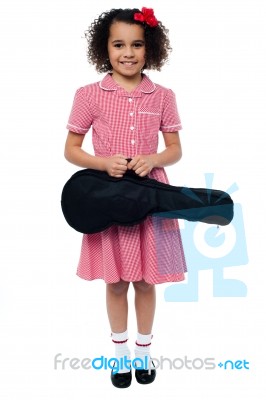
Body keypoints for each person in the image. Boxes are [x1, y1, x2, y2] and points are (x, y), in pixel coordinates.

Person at [64, 7, 187, 388]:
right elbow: (71, 149)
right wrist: (102, 163)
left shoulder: (163, 95)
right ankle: (119, 357)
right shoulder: (89, 95)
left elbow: (175, 149)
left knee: (147, 281)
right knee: (116, 281)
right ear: (106, 48)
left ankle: (144, 353)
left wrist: (153, 158)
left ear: (150, 49)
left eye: (136, 45)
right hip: (108, 196)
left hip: (150, 195)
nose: (128, 53)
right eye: (119, 45)